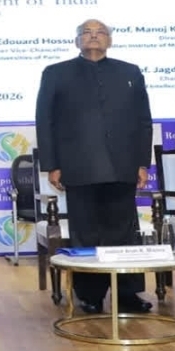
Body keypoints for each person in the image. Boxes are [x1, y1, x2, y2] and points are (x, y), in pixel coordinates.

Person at [34, 19, 155, 314]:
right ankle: (90, 295)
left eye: (100, 32)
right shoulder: (56, 73)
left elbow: (143, 120)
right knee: (85, 233)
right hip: (78, 166)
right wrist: (52, 165)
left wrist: (142, 162)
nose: (93, 37)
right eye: (86, 33)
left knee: (124, 233)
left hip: (122, 165)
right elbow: (45, 121)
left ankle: (127, 294)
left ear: (109, 40)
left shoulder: (130, 72)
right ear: (77, 41)